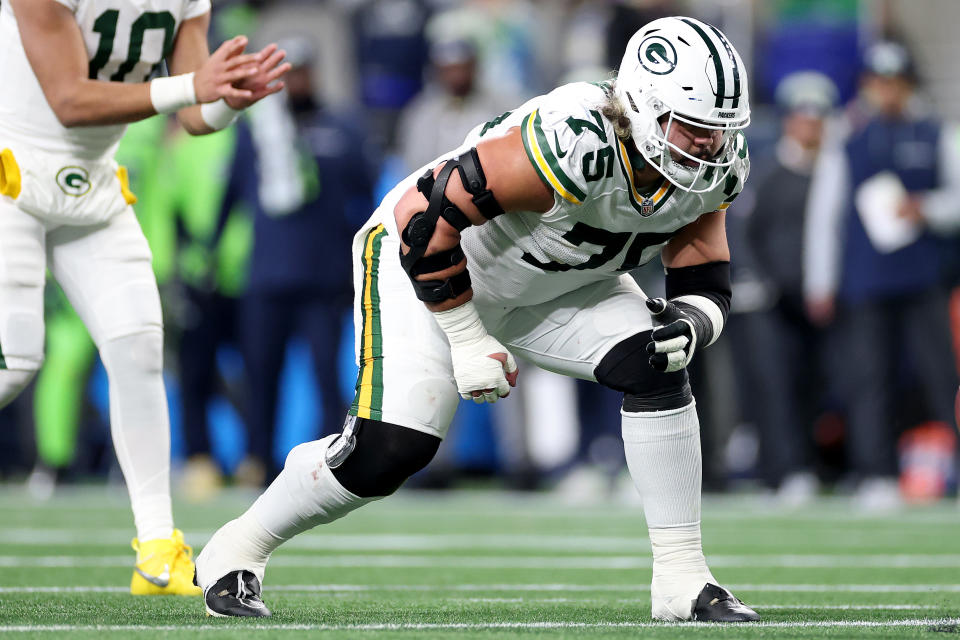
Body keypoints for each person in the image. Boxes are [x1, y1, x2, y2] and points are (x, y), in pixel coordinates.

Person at [196, 16, 759, 623]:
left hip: (556, 284)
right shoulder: (575, 141)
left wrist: (692, 322)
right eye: (695, 127)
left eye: (720, 130)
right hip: (430, 268)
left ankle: (681, 579)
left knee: (658, 358)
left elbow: (702, 266)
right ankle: (239, 547)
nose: (709, 144)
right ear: (644, 109)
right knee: (390, 451)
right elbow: (420, 218)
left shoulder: (715, 165)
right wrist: (467, 337)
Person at [0, 0, 289, 595]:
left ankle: (158, 549)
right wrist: (190, 86)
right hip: (12, 174)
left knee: (138, 349)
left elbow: (194, 115)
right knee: (19, 358)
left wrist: (227, 102)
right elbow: (68, 99)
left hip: (96, 185)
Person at [803, 41, 960, 509]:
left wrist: (926, 208)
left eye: (895, 83)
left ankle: (949, 467)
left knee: (941, 376)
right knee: (869, 379)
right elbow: (825, 213)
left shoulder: (937, 132)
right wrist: (821, 280)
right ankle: (876, 472)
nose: (886, 92)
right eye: (878, 83)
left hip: (923, 277)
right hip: (866, 279)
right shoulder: (845, 135)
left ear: (908, 85)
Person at [221, 36, 378, 484]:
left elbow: (368, 199)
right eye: (289, 75)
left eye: (304, 72)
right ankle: (257, 459)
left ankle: (330, 463)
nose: (298, 82)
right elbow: (230, 198)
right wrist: (211, 257)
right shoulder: (258, 130)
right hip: (267, 277)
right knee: (260, 375)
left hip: (323, 278)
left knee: (327, 374)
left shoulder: (341, 128)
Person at [742, 71, 839, 502]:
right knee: (774, 385)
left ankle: (810, 466)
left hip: (816, 298)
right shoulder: (766, 172)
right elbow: (741, 230)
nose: (810, 125)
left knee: (814, 385)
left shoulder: (834, 172)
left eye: (817, 117)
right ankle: (781, 471)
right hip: (771, 298)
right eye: (802, 116)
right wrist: (758, 279)